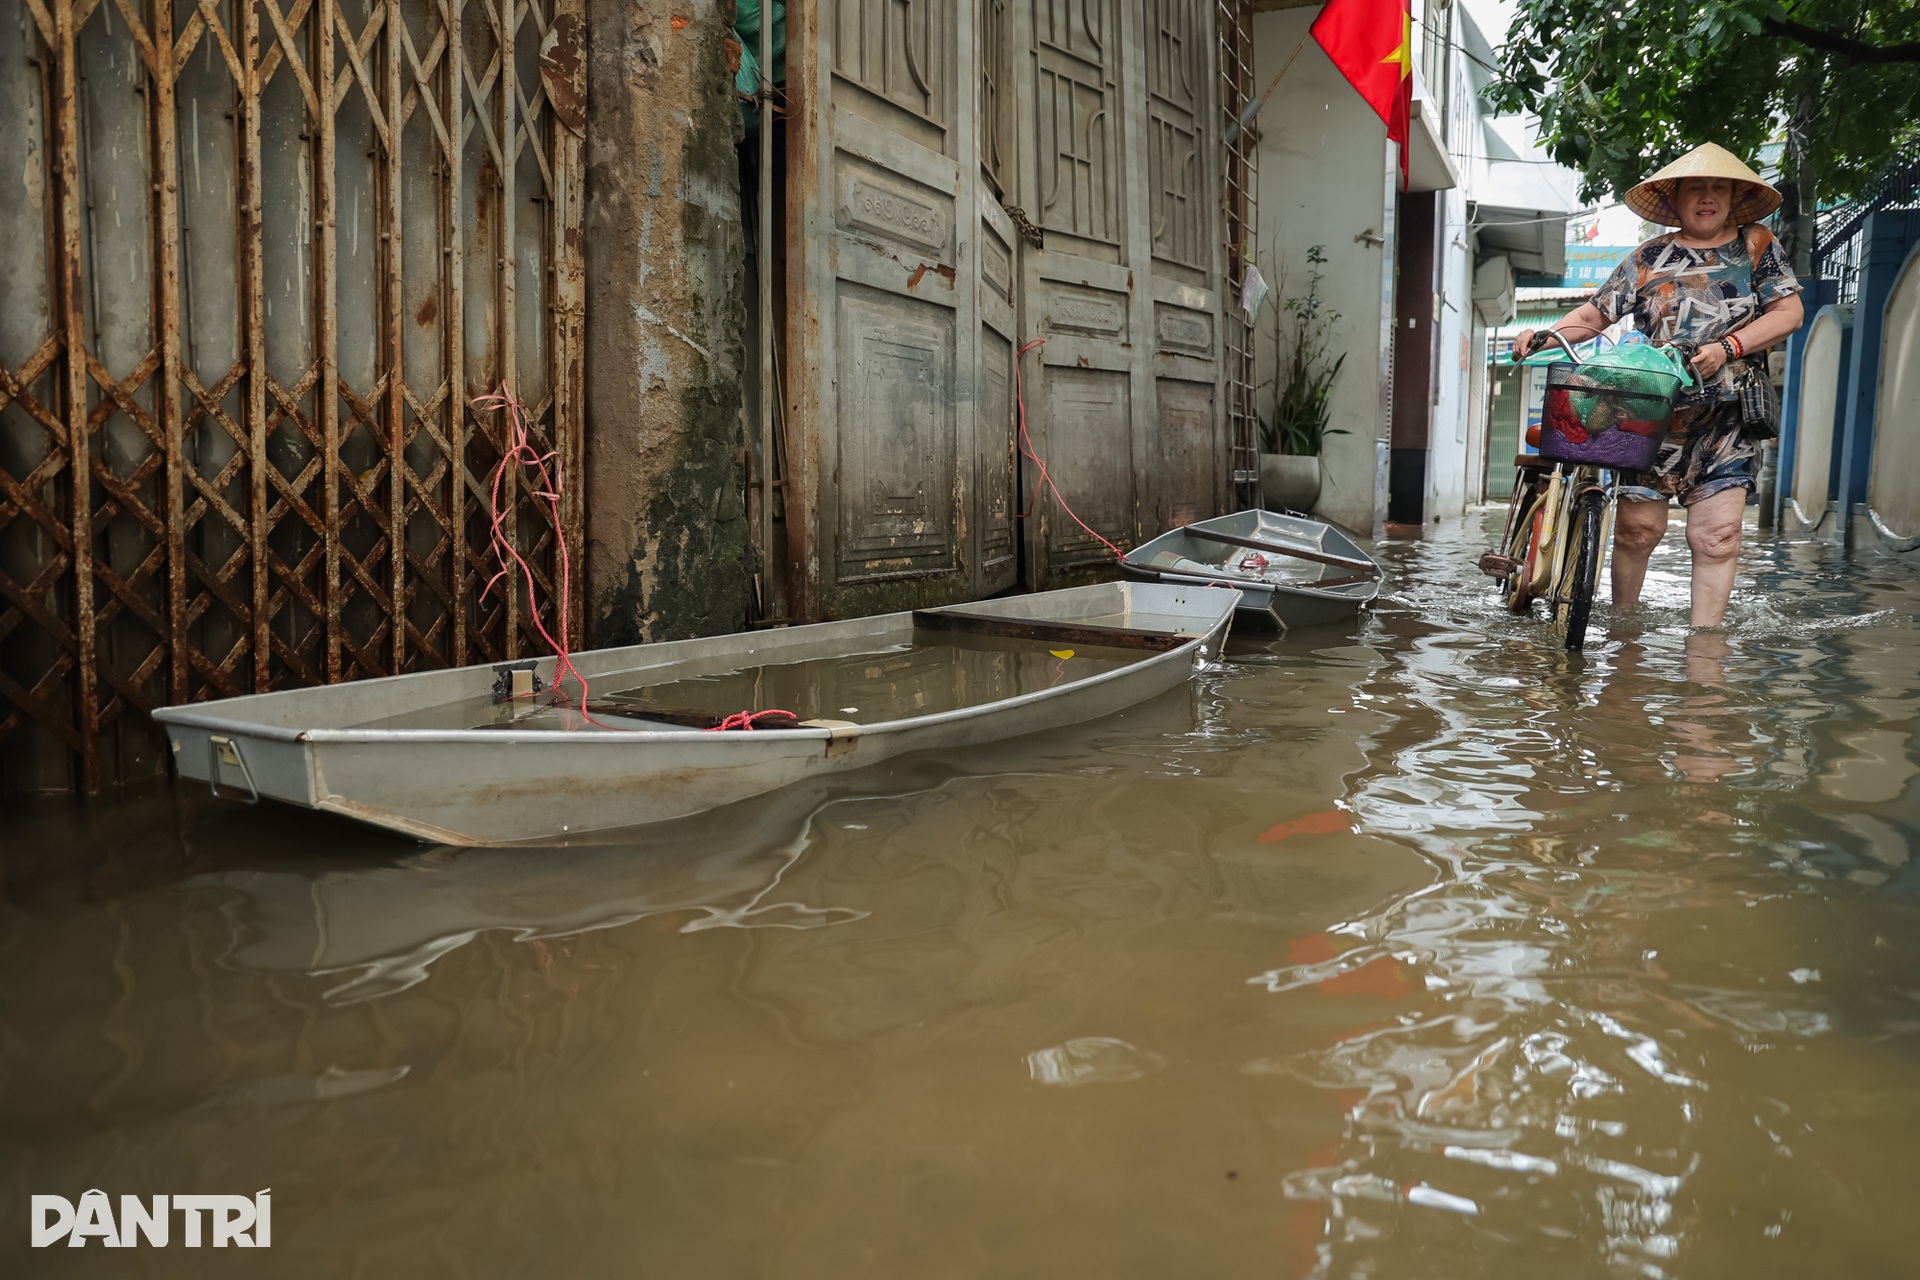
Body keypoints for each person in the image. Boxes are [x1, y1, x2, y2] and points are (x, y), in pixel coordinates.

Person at [1516, 143, 1804, 628]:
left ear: (1735, 196)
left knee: (1718, 537)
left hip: (1728, 418)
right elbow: (1595, 314)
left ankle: (1703, 655)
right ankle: (1623, 641)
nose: (1708, 196)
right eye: (1697, 187)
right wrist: (1546, 334)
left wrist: (1729, 348)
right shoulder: (1649, 256)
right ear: (1677, 198)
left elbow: (1789, 312)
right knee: (1637, 531)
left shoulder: (1757, 245)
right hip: (1648, 415)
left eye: (1719, 187)